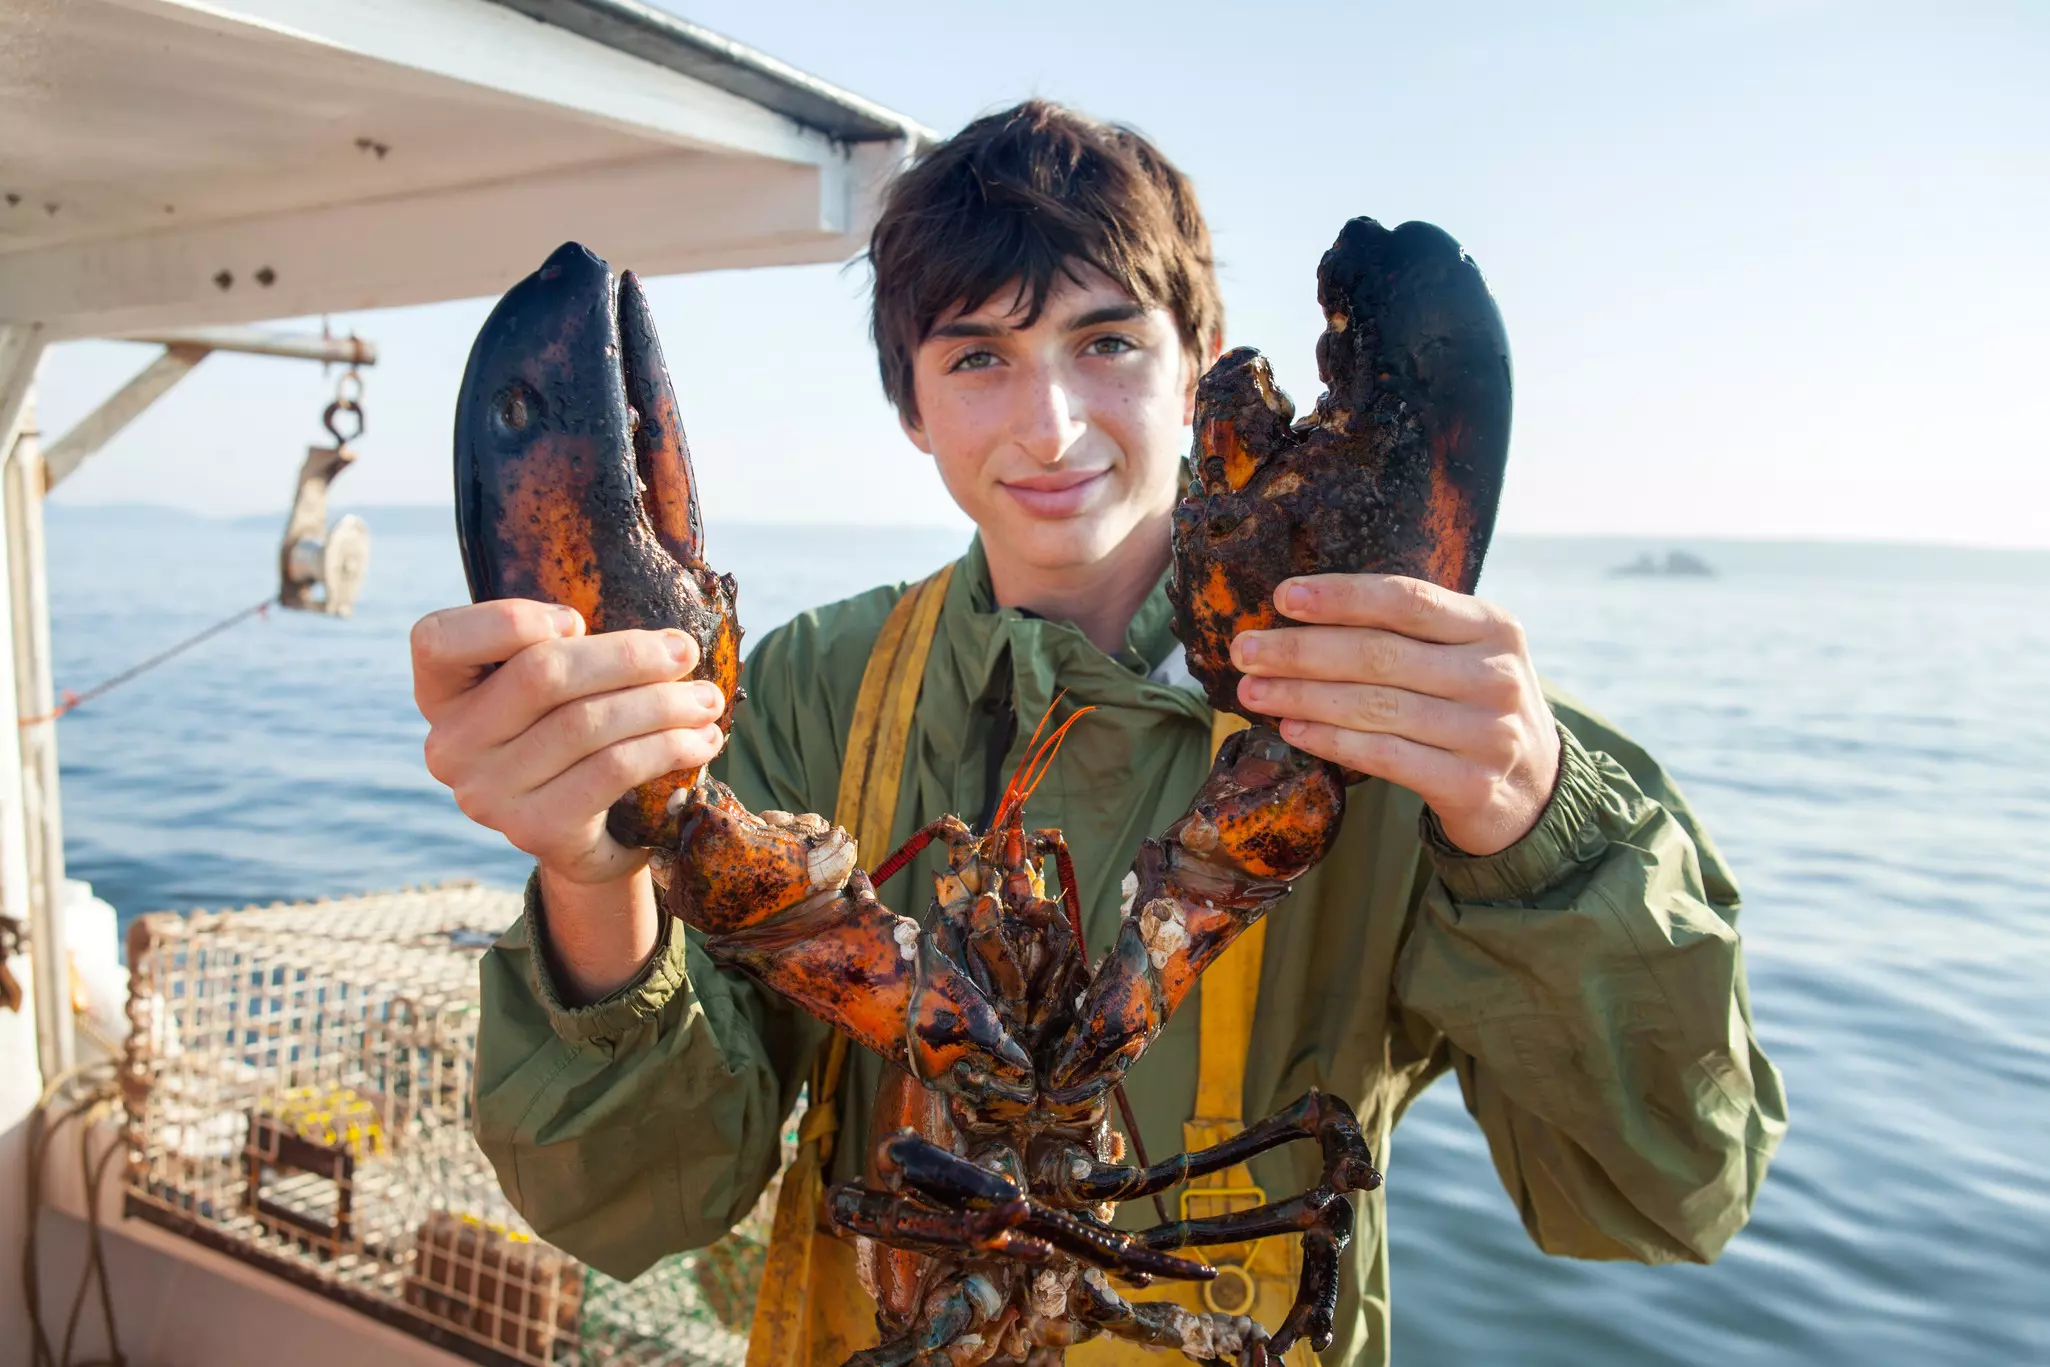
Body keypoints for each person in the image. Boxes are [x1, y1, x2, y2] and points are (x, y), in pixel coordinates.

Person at [411, 101, 1785, 1367]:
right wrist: (594, 875)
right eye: (978, 358)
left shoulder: (1413, 723)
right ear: (912, 404)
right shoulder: (807, 689)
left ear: (1194, 365)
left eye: (1108, 341)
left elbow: (1659, 1196)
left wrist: (1536, 820)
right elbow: (637, 1203)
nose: (1050, 423)